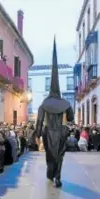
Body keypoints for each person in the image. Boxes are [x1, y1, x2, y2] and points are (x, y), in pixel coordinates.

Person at [35, 37, 74, 188]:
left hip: (48, 132)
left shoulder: (44, 104)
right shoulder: (65, 103)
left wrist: (37, 136)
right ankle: (57, 176)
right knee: (60, 156)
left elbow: (39, 121)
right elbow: (70, 118)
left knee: (50, 155)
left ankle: (50, 174)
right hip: (62, 132)